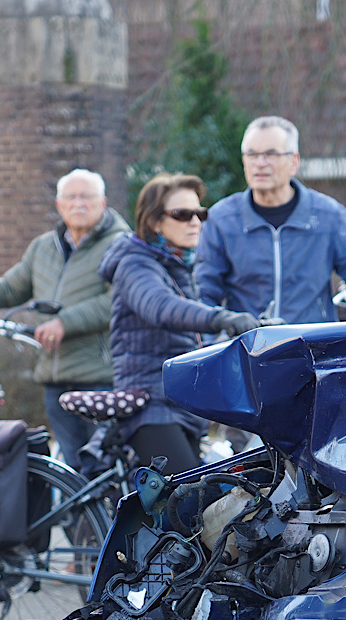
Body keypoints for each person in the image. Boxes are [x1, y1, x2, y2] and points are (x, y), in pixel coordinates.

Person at [0, 169, 129, 460]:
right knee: (73, 470)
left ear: (103, 202)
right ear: (59, 206)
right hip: (56, 379)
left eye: (87, 197)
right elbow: (8, 289)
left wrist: (65, 322)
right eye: (70, 197)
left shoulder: (121, 244)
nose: (78, 203)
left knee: (103, 467)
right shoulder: (43, 247)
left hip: (101, 377)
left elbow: (119, 299)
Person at [94, 172, 260, 474]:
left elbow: (193, 339)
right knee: (188, 506)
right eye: (183, 214)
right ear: (155, 222)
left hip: (181, 403)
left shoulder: (179, 266)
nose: (195, 222)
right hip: (151, 404)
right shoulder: (135, 265)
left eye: (200, 213)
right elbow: (161, 307)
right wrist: (222, 318)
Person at [196, 115, 346, 324]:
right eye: (252, 154)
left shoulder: (329, 217)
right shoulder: (221, 220)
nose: (260, 163)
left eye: (271, 154)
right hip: (247, 356)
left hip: (313, 354)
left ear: (294, 162)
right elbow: (204, 294)